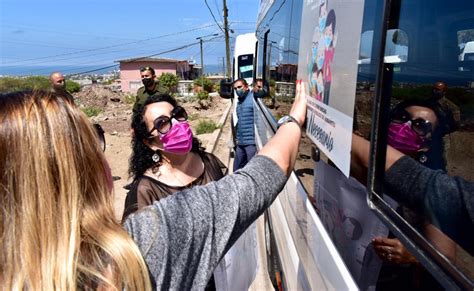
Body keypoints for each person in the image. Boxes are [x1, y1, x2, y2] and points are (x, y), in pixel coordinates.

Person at [0, 81, 306, 290]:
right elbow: (257, 180)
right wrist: (292, 120)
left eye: (177, 116)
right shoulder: (148, 237)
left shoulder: (209, 161)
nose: (176, 126)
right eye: (93, 141)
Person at [351, 133, 474, 255]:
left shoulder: (429, 189)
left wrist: (414, 254)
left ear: (427, 144)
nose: (405, 127)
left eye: (420, 125)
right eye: (402, 117)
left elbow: (444, 255)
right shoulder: (363, 152)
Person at [122, 93, 227, 221]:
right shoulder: (145, 191)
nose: (176, 123)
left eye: (177, 114)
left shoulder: (209, 162)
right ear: (150, 142)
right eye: (162, 123)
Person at [233, 78, 261, 171]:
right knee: (236, 169)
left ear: (246, 86)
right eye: (235, 88)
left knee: (251, 170)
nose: (237, 90)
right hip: (240, 142)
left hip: (251, 143)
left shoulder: (253, 97)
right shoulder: (239, 102)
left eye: (239, 87)